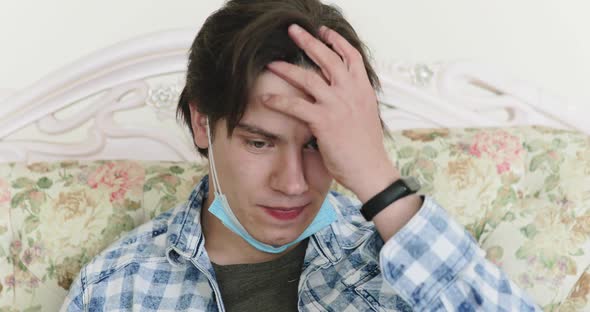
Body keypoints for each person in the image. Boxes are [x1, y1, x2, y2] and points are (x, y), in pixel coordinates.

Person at [62, 0, 540, 311]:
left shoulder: (400, 263)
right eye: (259, 142)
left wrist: (380, 181)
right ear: (203, 123)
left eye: (316, 144)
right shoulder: (115, 287)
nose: (292, 183)